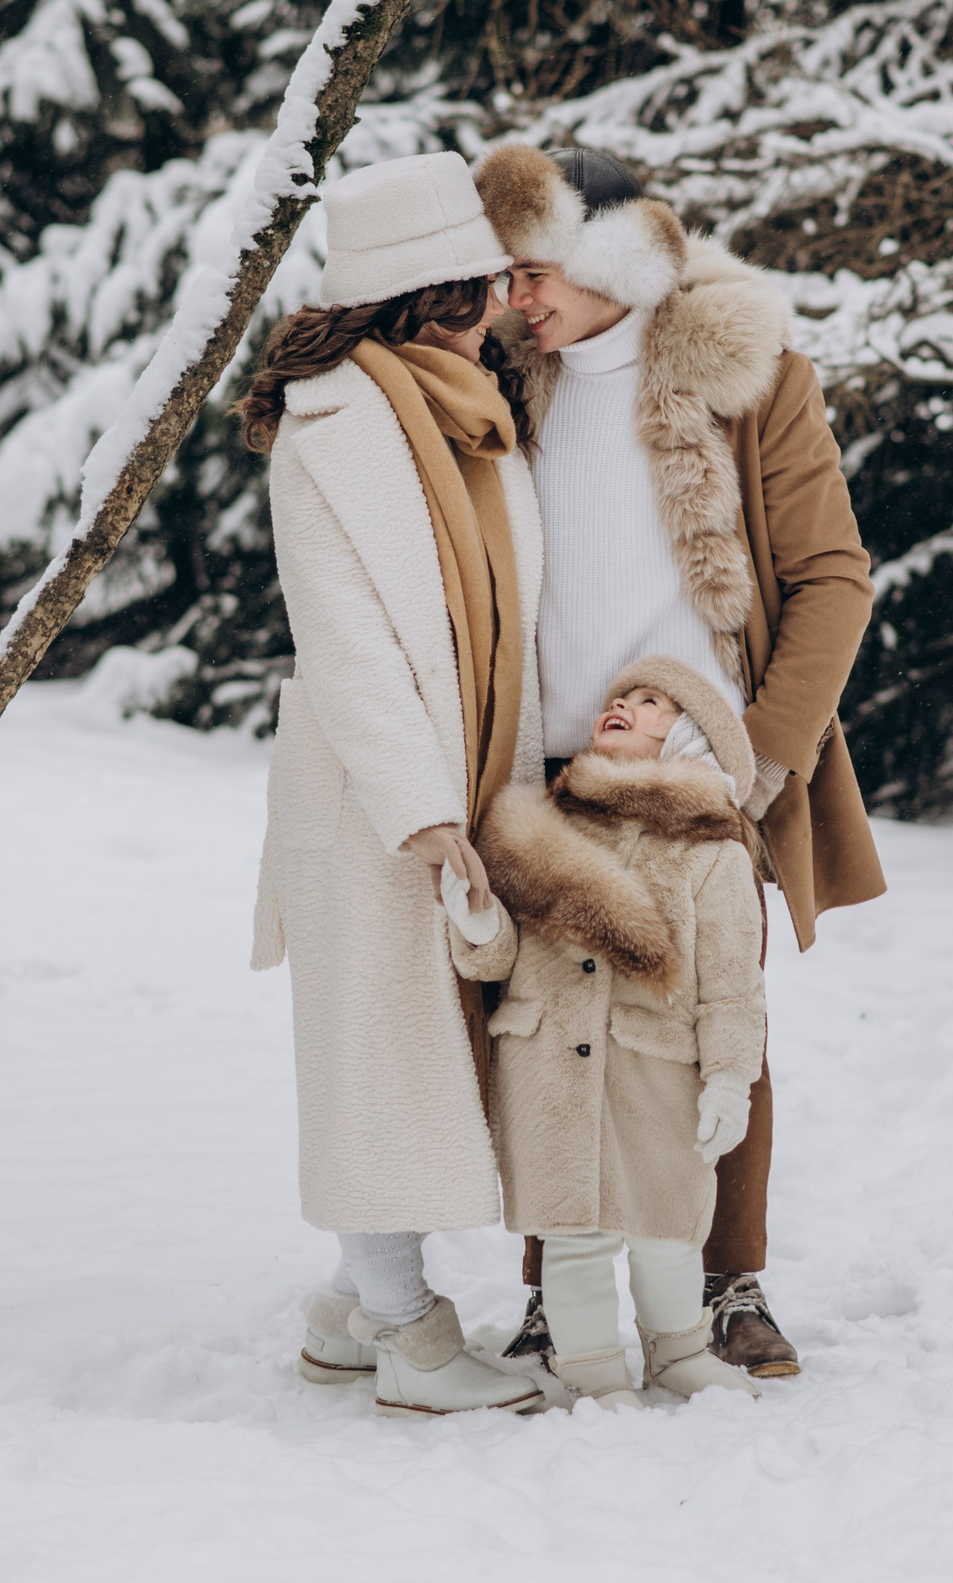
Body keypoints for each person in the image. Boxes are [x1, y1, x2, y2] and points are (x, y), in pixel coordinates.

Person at [470, 142, 887, 1377]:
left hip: (701, 772)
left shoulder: (749, 377)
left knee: (714, 1029)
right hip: (542, 772)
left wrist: (757, 758)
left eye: (535, 269)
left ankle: (727, 1281)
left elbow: (831, 579)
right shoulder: (494, 385)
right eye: (504, 272)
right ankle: (560, 1289)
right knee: (548, 1034)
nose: (516, 296)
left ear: (614, 258)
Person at [241, 152, 547, 1419]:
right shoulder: (335, 427)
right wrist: (420, 808)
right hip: (376, 787)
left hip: (467, 765)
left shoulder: (473, 412)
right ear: (431, 298)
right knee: (379, 1055)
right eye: (483, 292)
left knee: (424, 1050)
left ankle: (348, 1313)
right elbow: (347, 633)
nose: (505, 314)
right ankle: (410, 1332)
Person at [450, 658, 766, 1409]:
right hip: (547, 1068)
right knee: (573, 1236)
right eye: (618, 697)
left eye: (651, 703)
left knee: (666, 1227)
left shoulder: (713, 853)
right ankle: (588, 1367)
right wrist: (477, 921)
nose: (622, 706)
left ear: (689, 738)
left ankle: (679, 1351)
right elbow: (500, 959)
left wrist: (729, 1077)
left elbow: (731, 983)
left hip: (656, 1069)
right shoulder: (536, 826)